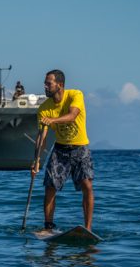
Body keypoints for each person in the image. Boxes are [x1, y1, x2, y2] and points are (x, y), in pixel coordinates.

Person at [31, 69, 94, 232]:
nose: (45, 86)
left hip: (80, 147)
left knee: (87, 185)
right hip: (60, 150)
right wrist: (36, 160)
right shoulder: (44, 108)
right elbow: (42, 137)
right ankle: (48, 226)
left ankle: (88, 228)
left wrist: (53, 120)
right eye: (44, 83)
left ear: (60, 85)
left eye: (48, 83)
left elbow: (72, 115)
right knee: (50, 186)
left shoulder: (75, 95)